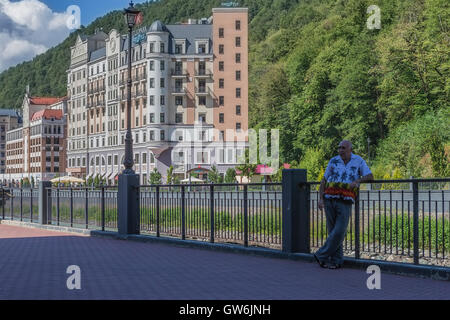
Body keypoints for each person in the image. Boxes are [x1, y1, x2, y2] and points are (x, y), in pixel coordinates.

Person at [314, 140, 373, 269]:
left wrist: (358, 180)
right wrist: (320, 199)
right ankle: (336, 261)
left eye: (343, 148)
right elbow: (324, 180)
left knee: (339, 231)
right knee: (333, 232)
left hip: (345, 200)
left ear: (350, 149)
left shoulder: (358, 160)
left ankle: (321, 254)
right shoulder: (333, 160)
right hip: (329, 199)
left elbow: (370, 176)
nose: (340, 150)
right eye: (339, 148)